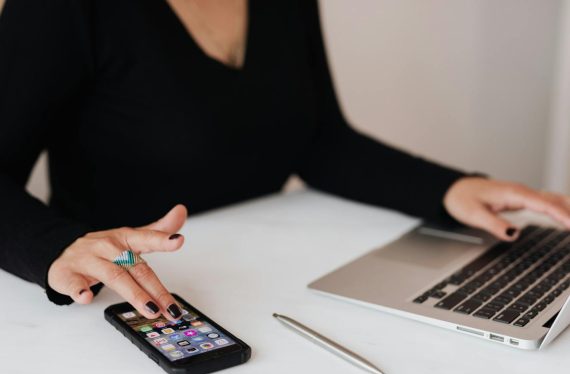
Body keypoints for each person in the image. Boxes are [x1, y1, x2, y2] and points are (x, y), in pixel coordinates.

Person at [1, 0, 569, 323]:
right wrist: (57, 248)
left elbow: (319, 140)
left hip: (275, 289)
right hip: (117, 309)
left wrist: (452, 189)